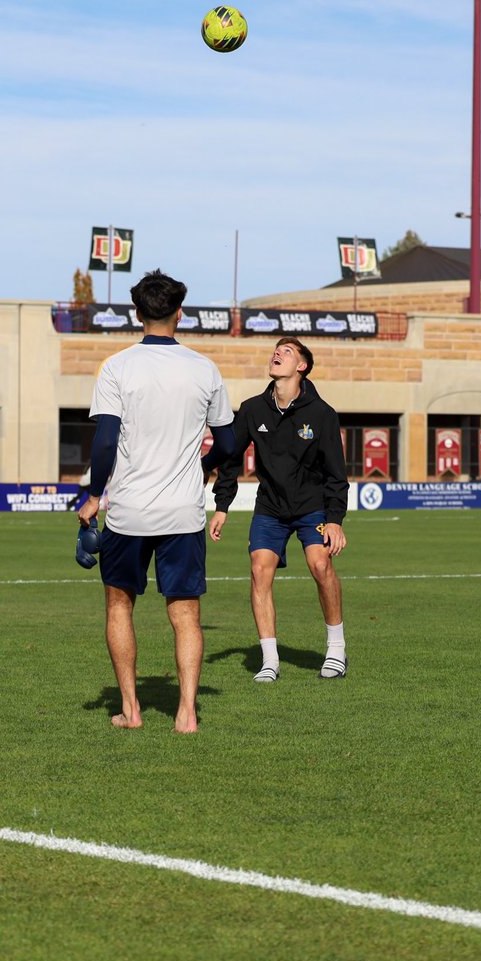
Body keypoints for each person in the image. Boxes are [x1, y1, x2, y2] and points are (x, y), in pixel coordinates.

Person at [77, 270, 235, 733]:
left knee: (119, 605)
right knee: (185, 614)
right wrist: (205, 471)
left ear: (137, 313)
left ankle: (131, 709)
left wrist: (93, 495)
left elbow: (105, 443)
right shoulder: (204, 368)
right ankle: (187, 713)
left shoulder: (118, 367)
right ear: (179, 313)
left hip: (128, 511)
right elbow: (227, 443)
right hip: (184, 512)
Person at [209, 337, 349, 682]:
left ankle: (336, 649)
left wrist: (335, 521)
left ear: (301, 366)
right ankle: (269, 660)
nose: (277, 354)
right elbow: (229, 459)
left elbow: (336, 473)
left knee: (320, 564)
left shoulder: (322, 414)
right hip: (270, 507)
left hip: (312, 506)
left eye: (287, 352)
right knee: (259, 571)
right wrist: (222, 506)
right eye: (276, 350)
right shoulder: (253, 409)